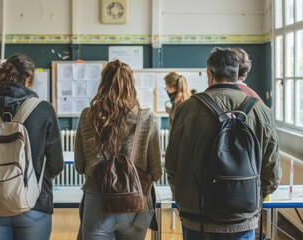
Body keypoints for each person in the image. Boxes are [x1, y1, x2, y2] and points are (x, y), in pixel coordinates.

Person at [165, 47, 281, 240]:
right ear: (237, 74)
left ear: (209, 74)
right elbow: (272, 171)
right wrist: (251, 196)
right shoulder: (262, 111)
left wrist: (185, 198)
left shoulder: (186, 109)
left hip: (197, 218)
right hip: (242, 219)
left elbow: (171, 164)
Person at [0, 54, 64, 240]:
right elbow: (56, 164)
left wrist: (0, 184)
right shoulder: (43, 109)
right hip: (34, 205)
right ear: (28, 79)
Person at [74, 59, 162, 240]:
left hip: (97, 201)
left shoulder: (87, 116)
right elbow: (156, 172)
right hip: (136, 204)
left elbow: (80, 165)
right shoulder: (147, 118)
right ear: (132, 84)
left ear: (103, 83)